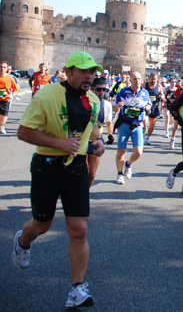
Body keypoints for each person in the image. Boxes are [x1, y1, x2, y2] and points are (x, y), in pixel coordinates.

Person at [12, 51, 105, 308]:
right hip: (47, 166)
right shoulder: (46, 95)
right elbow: (23, 132)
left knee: (80, 230)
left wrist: (97, 140)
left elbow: (92, 127)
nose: (89, 77)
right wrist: (59, 143)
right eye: (84, 71)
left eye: (92, 72)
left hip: (76, 168)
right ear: (69, 71)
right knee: (42, 225)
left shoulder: (93, 100)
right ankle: (22, 241)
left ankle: (77, 289)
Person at [113, 71, 151, 184]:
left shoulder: (145, 93)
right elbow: (114, 107)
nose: (137, 81)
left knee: (138, 152)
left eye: (139, 79)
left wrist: (148, 106)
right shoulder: (123, 92)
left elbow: (148, 103)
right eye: (135, 79)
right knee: (121, 152)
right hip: (124, 124)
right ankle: (119, 174)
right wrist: (117, 106)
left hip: (137, 125)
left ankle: (128, 164)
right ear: (130, 81)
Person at [88, 77, 114, 187]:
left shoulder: (106, 105)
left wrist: (110, 135)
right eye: (98, 89)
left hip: (96, 141)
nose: (102, 92)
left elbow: (108, 122)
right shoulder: (84, 102)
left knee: (92, 175)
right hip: (82, 140)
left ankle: (85, 193)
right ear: (91, 89)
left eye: (104, 90)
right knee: (82, 171)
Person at [143, 72, 165, 146]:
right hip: (145, 107)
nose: (153, 81)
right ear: (149, 78)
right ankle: (142, 136)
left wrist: (162, 97)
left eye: (155, 79)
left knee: (152, 125)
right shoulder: (145, 85)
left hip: (154, 107)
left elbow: (162, 94)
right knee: (145, 123)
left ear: (157, 80)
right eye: (152, 79)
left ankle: (148, 137)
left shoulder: (159, 86)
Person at [0, 60, 19, 134]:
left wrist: (12, 95)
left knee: (4, 114)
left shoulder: (10, 78)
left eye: (4, 67)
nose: (2, 69)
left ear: (7, 68)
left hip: (5, 99)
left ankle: (2, 127)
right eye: (1, 67)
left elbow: (16, 89)